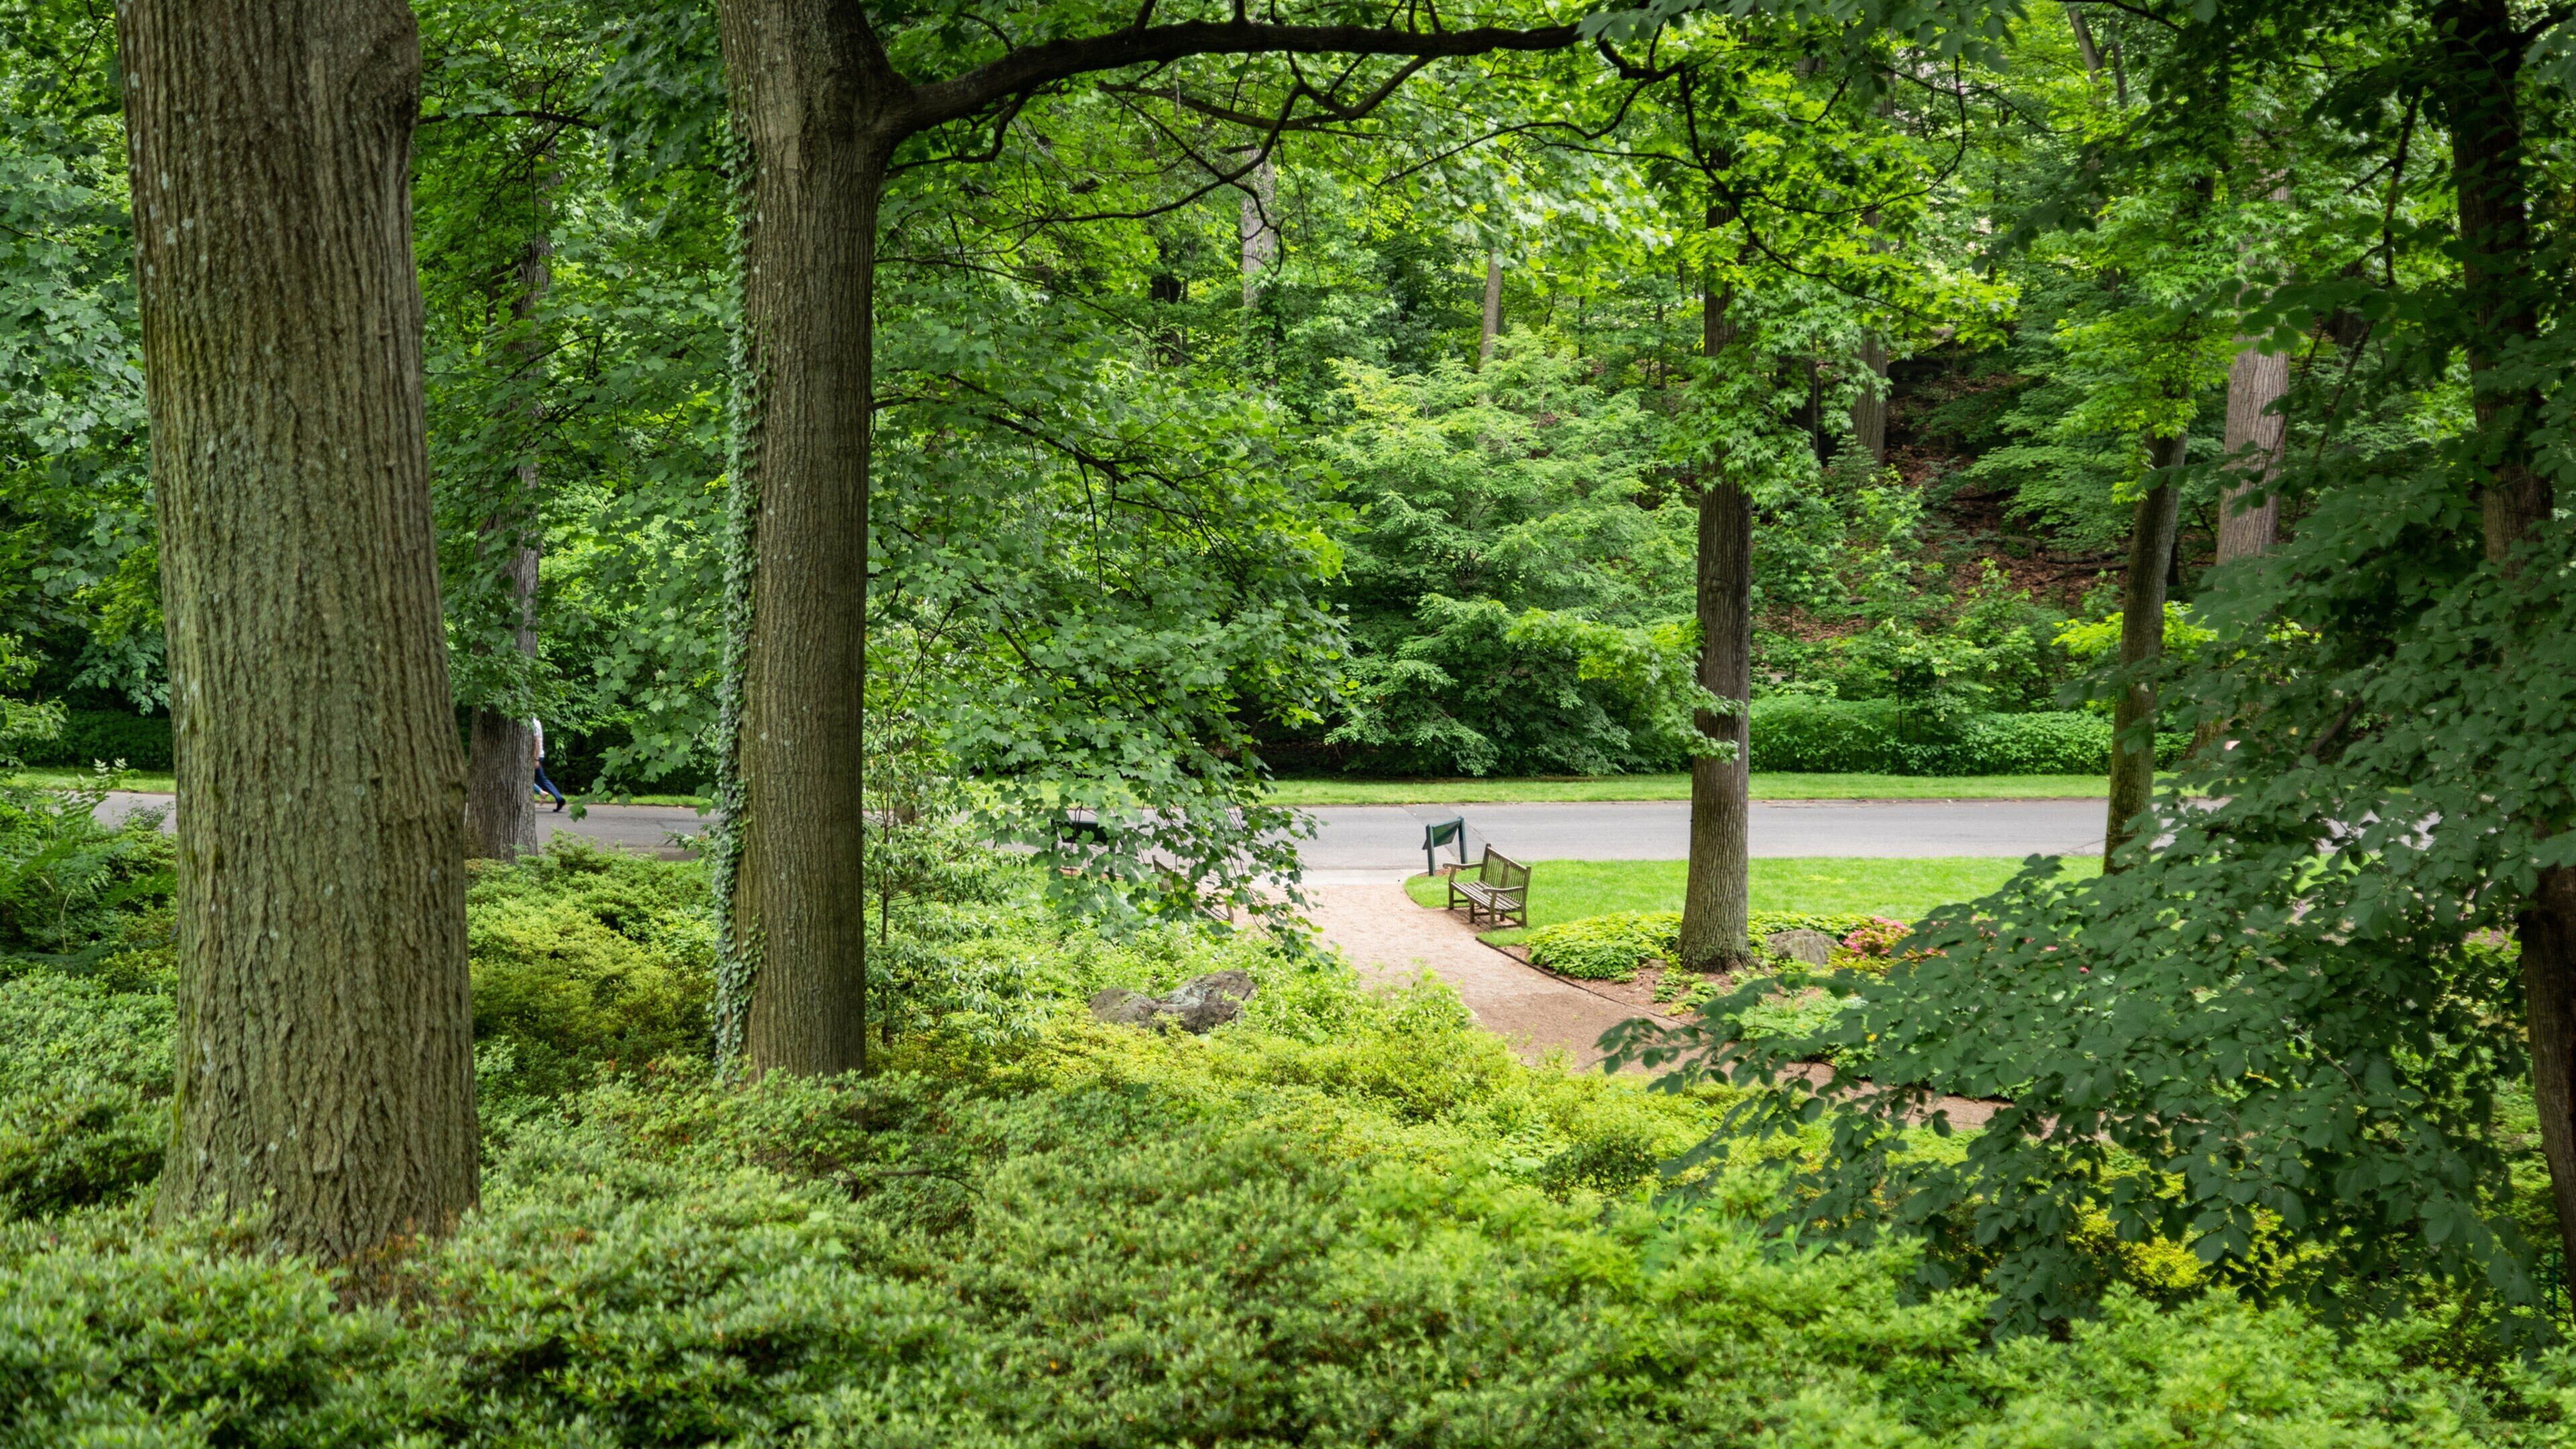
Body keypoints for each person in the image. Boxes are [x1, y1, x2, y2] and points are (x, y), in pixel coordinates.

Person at [531, 716, 566, 812]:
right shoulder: (537, 721)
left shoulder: (532, 722)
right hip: (538, 754)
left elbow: (536, 741)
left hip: (535, 756)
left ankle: (542, 794)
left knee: (524, 779)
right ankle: (558, 798)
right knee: (542, 779)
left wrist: (536, 759)